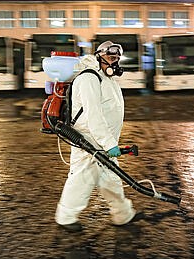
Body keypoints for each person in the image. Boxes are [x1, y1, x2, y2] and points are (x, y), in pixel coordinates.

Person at [55, 41, 142, 232]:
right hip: (88, 141)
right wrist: (110, 144)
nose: (114, 63)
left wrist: (110, 142)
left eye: (117, 59)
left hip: (102, 141)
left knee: (111, 178)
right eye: (111, 58)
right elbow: (94, 115)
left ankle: (122, 214)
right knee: (81, 179)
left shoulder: (105, 78)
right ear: (99, 56)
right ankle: (65, 217)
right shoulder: (89, 79)